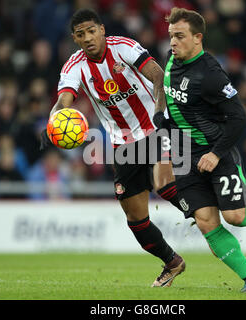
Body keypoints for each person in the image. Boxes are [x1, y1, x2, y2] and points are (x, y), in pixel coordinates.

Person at [40, 8, 185, 287]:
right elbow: (64, 102)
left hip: (154, 129)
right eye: (80, 35)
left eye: (91, 31)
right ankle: (172, 262)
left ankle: (203, 209)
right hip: (122, 144)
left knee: (164, 185)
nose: (87, 38)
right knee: (135, 218)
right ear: (75, 38)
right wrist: (55, 120)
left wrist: (159, 112)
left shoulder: (125, 48)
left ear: (102, 30)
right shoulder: (74, 66)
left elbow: (157, 76)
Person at [154, 7, 246, 292]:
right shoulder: (171, 60)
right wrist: (162, 117)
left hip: (216, 153)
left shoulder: (211, 74)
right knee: (206, 222)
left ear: (198, 38)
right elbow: (168, 91)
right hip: (185, 156)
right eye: (170, 36)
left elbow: (239, 116)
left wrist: (215, 153)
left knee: (236, 217)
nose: (172, 42)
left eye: (179, 36)